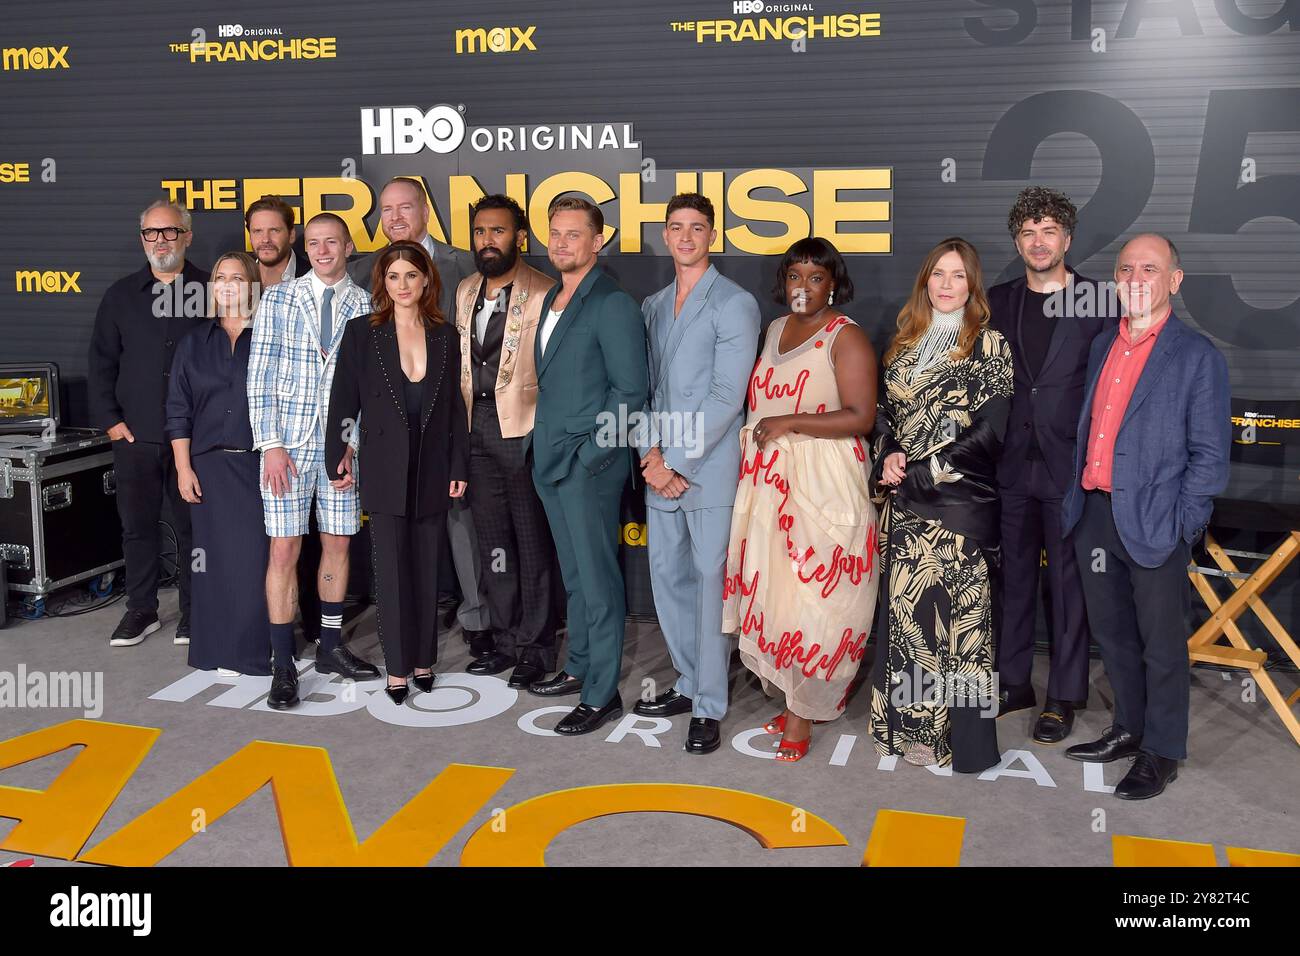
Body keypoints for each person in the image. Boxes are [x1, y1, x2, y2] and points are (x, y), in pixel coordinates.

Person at [1062, 233, 1230, 800]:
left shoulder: (1197, 355)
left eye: (1150, 268)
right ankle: (1128, 728)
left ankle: (1162, 750)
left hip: (1157, 519)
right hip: (1095, 512)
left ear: (1174, 281)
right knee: (1112, 635)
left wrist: (1185, 522)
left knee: (1161, 643)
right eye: (1127, 268)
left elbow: (1209, 454)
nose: (1136, 278)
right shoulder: (1101, 346)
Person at [723, 237, 880, 762]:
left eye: (816, 277)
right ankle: (795, 696)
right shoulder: (774, 329)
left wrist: (789, 421)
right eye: (795, 277)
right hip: (768, 484)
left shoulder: (846, 337)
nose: (804, 288)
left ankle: (802, 714)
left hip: (824, 482)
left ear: (833, 282)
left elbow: (861, 416)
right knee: (777, 598)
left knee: (818, 602)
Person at [869, 237, 1013, 773]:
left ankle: (965, 741)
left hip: (959, 501)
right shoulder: (905, 342)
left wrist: (929, 470)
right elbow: (884, 416)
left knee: (963, 627)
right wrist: (887, 455)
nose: (947, 285)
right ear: (925, 280)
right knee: (913, 622)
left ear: (972, 285)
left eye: (958, 276)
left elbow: (993, 428)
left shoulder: (988, 342)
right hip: (905, 505)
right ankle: (915, 730)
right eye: (938, 274)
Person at [989, 186, 1117, 743]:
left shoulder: (1101, 301)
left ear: (1067, 237)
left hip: (1073, 466)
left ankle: (1064, 696)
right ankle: (1014, 681)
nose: (1038, 242)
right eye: (1027, 233)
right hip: (1011, 465)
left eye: (1048, 231)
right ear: (1017, 242)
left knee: (1069, 585)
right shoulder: (997, 300)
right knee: (1012, 578)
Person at [638, 193, 760, 755]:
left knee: (710, 585)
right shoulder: (654, 304)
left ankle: (709, 704)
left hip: (705, 469)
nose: (685, 236)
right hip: (657, 466)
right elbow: (640, 390)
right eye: (676, 227)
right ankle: (687, 682)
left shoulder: (734, 303)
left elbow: (726, 397)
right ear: (665, 234)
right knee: (668, 579)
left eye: (697, 227)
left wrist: (675, 463)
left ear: (713, 235)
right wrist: (649, 457)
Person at [350, 177, 491, 652]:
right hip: (392, 439)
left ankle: (476, 622)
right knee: (397, 544)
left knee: (460, 524)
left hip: (458, 417)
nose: (394, 218)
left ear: (425, 211)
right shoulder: (365, 272)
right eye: (385, 210)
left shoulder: (464, 264)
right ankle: (404, 638)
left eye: (404, 207)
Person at [526, 196, 649, 736]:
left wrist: (591, 456)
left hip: (587, 465)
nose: (561, 243)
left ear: (598, 241)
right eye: (555, 233)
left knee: (598, 582)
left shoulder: (612, 303)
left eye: (573, 234)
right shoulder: (553, 295)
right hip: (549, 457)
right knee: (574, 577)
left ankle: (602, 694)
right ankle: (577, 666)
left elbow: (631, 390)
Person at [247, 212, 379, 710]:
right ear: (307, 247)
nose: (324, 251)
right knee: (283, 551)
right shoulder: (279, 298)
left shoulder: (366, 305)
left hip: (340, 450)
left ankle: (328, 647)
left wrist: (352, 446)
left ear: (348, 247)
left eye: (333, 243)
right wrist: (271, 445)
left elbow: (368, 390)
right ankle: (283, 665)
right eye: (316, 243)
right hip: (287, 448)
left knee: (338, 544)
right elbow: (259, 377)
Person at [327, 241, 469, 702]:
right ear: (382, 284)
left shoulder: (446, 335)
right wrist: (338, 453)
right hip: (385, 467)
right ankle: (397, 669)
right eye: (393, 277)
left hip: (432, 468)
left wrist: (458, 464)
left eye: (411, 275)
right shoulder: (361, 334)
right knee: (390, 572)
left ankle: (424, 660)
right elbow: (343, 400)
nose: (403, 285)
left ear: (426, 279)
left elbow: (454, 410)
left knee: (426, 568)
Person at [88, 199, 208, 648]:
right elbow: (101, 363)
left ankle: (196, 612)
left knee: (194, 529)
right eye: (151, 233)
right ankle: (141, 609)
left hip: (194, 441)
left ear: (188, 235)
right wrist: (112, 424)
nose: (160, 241)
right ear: (142, 240)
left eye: (170, 232)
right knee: (137, 527)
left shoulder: (213, 289)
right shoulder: (120, 296)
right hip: (134, 437)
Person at [454, 195, 559, 688]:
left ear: (519, 237)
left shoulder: (544, 290)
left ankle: (537, 648)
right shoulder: (465, 289)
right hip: (473, 430)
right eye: (480, 232)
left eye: (497, 232)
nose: (487, 241)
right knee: (492, 544)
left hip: (523, 431)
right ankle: (504, 641)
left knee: (531, 543)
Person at [165, 252, 269, 676]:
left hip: (260, 467)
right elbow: (177, 410)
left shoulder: (270, 336)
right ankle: (215, 651)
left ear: (252, 285)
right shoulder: (193, 343)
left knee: (254, 563)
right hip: (207, 469)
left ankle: (255, 651)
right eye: (220, 277)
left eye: (237, 277)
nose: (227, 284)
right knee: (211, 564)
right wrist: (183, 468)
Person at [246, 194, 321, 648]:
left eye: (275, 230)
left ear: (292, 236)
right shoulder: (235, 277)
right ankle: (271, 636)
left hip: (306, 434)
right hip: (257, 428)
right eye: (258, 231)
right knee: (274, 540)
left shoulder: (314, 280)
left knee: (309, 542)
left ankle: (315, 625)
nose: (266, 239)